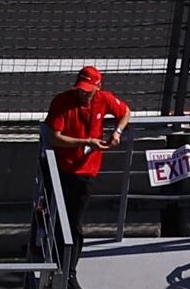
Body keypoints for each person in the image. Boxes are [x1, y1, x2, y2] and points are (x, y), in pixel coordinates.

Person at [43, 66, 131, 222]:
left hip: (86, 170)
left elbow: (125, 112)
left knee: (75, 219)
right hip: (61, 166)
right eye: (81, 89)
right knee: (52, 213)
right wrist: (87, 142)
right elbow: (54, 138)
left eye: (88, 91)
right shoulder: (62, 102)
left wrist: (117, 132)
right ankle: (49, 241)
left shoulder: (103, 98)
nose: (83, 93)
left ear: (98, 88)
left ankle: (72, 246)